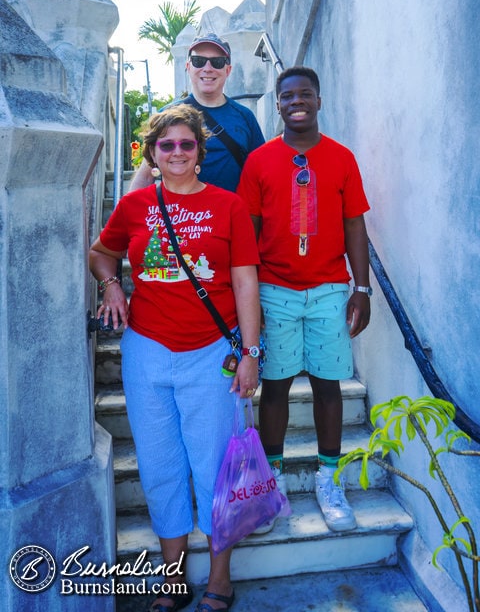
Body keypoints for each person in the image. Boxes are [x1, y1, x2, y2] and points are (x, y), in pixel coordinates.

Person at [89, 104, 261, 612]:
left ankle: (221, 579)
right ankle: (171, 579)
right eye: (168, 145)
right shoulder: (136, 205)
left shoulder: (227, 207)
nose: (178, 152)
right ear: (152, 153)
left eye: (187, 144)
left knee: (213, 466)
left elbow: (245, 281)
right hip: (146, 351)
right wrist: (111, 286)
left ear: (199, 152)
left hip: (211, 352)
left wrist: (250, 353)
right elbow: (102, 251)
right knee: (161, 465)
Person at [237, 66, 371, 534]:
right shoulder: (259, 161)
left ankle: (328, 479)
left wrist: (362, 287)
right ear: (277, 104)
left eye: (306, 94)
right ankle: (270, 481)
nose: (298, 101)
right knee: (274, 387)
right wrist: (245, 297)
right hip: (274, 290)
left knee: (328, 384)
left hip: (330, 289)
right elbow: (248, 232)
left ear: (318, 100)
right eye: (288, 95)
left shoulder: (341, 157)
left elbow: (355, 223)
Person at [130, 32, 265, 193]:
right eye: (199, 61)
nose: (208, 69)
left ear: (228, 70)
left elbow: (261, 174)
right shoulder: (168, 114)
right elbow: (146, 175)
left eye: (217, 62)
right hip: (180, 215)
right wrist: (127, 212)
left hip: (230, 215)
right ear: (188, 67)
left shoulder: (244, 117)